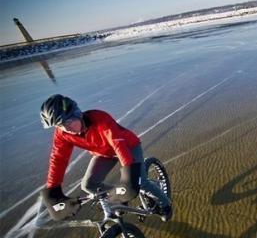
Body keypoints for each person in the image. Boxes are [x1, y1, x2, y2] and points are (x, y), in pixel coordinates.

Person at [37, 94, 172, 224]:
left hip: (128, 147)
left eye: (67, 122)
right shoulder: (63, 134)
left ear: (76, 113)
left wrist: (129, 176)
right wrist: (53, 190)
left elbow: (118, 144)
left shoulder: (100, 118)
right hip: (104, 154)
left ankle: (166, 205)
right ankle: (119, 198)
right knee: (89, 185)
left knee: (140, 182)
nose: (66, 128)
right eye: (60, 125)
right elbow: (58, 159)